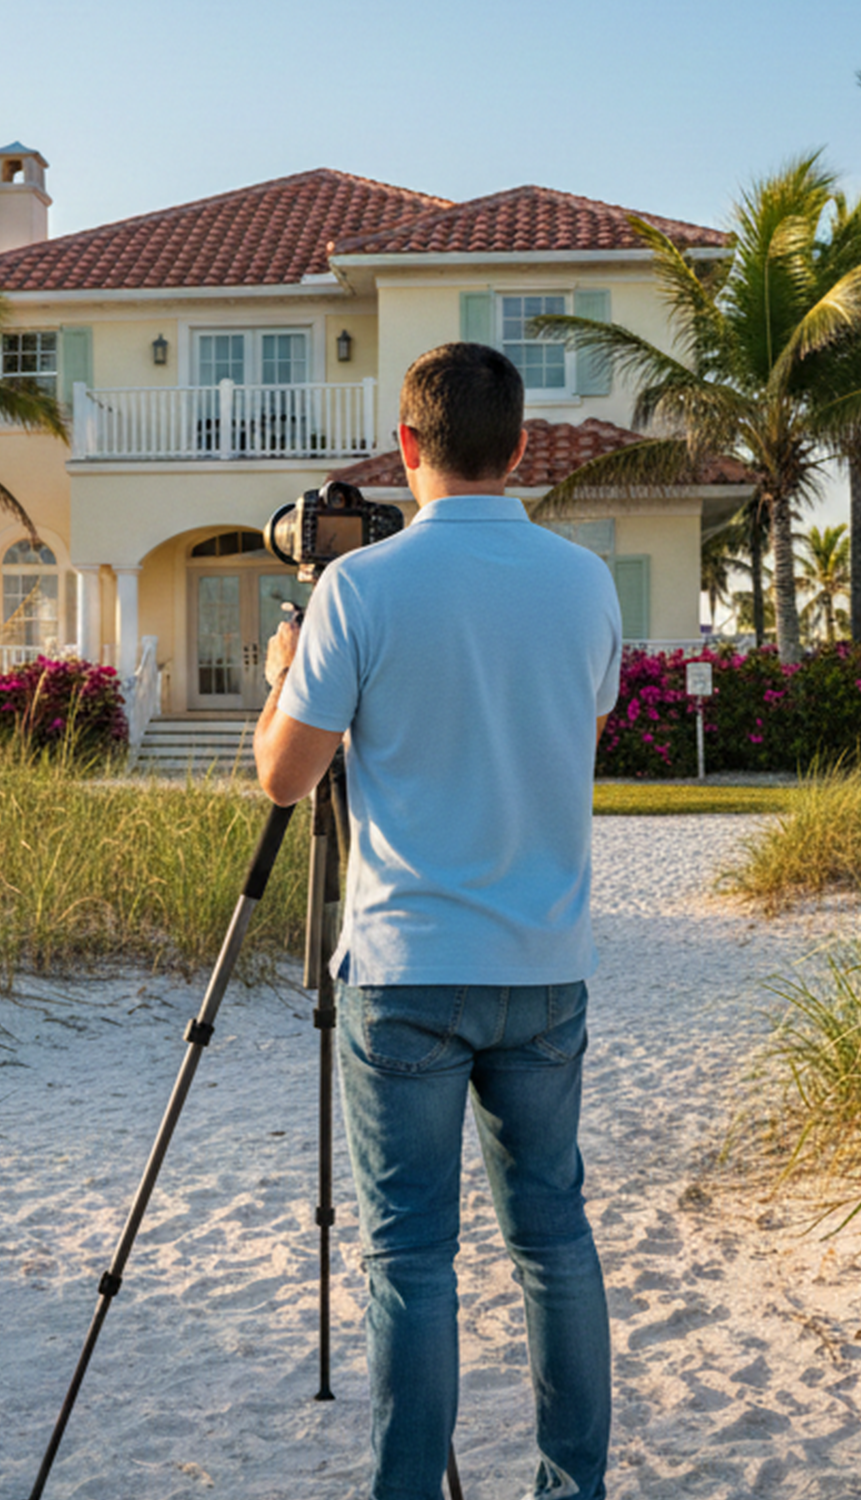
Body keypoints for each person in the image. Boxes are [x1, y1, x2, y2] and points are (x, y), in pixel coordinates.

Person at [253, 342, 622, 1500]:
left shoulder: (362, 589)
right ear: (520, 452)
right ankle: (574, 1487)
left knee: (413, 1260)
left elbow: (283, 775)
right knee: (554, 1245)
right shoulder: (586, 583)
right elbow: (577, 710)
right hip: (543, 965)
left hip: (407, 967)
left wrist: (288, 669)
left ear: (407, 449)